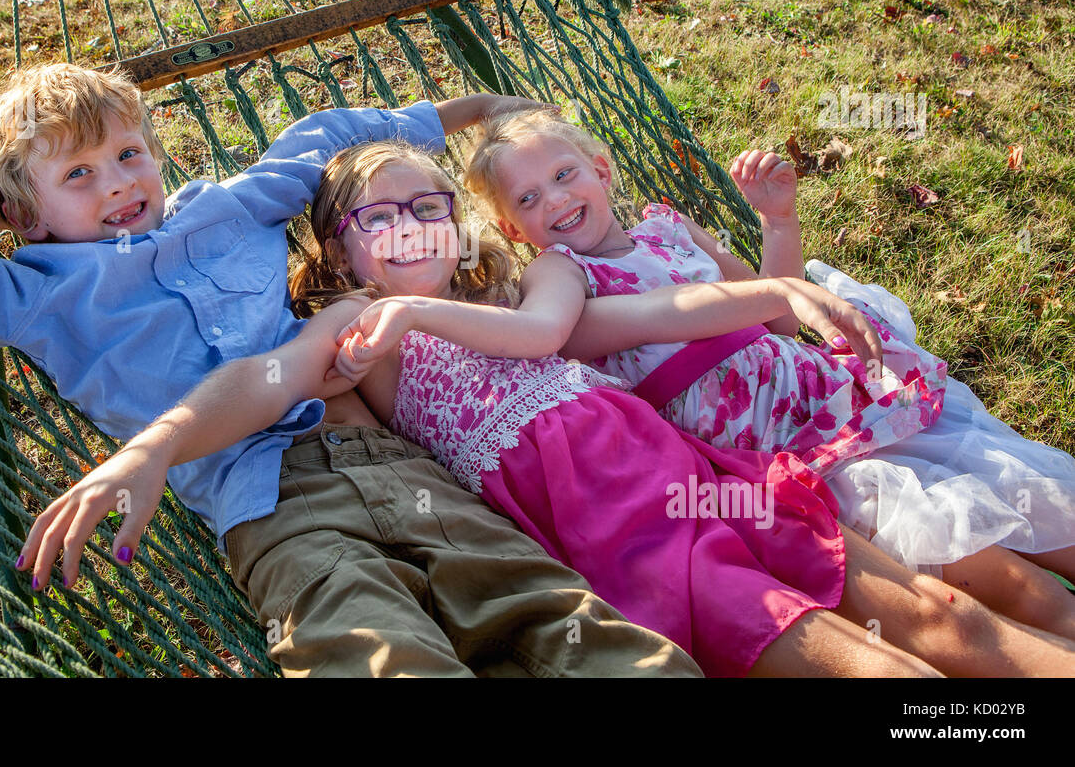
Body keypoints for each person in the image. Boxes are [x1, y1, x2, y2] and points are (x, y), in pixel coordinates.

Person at [0, 63, 701, 678]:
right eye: (78, 175)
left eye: (128, 153)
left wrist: (468, 114)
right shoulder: (31, 293)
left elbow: (324, 136)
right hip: (269, 507)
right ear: (24, 212)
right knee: (370, 650)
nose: (118, 182)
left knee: (552, 611)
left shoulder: (224, 210)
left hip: (407, 464)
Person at [293, 139, 1075, 676]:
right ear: (336, 250)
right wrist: (162, 447)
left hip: (720, 478)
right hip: (634, 541)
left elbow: (659, 312)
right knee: (875, 667)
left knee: (950, 617)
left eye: (428, 206)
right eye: (376, 217)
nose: (409, 230)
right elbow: (266, 377)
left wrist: (779, 287)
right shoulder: (359, 331)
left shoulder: (527, 299)